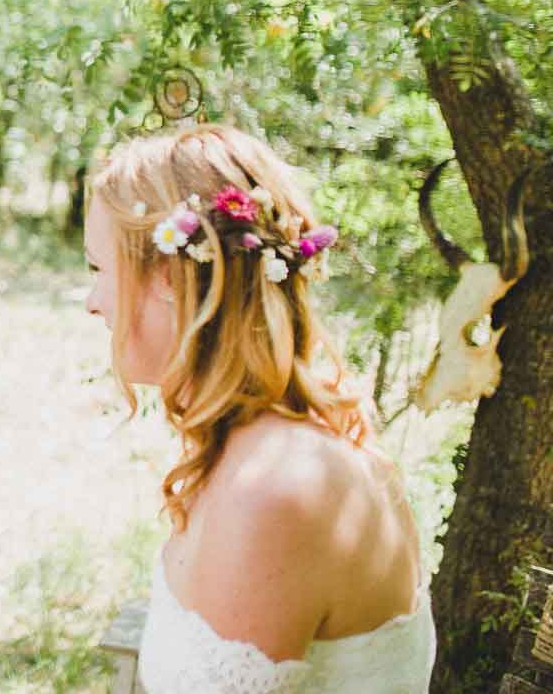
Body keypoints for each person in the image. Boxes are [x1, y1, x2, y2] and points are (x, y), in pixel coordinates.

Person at [83, 124, 435, 692]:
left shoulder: (280, 489)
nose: (91, 302)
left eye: (98, 270)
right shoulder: (251, 449)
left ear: (171, 277)